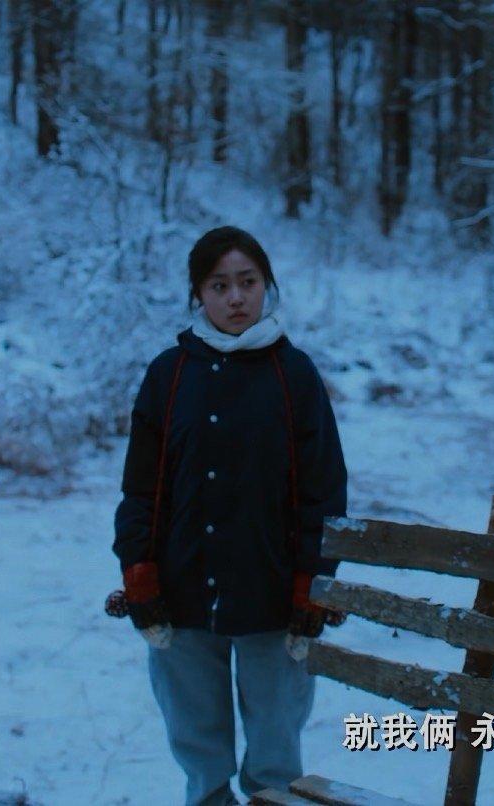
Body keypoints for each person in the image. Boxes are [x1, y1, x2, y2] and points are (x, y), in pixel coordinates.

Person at [112, 226, 348, 806]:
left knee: (275, 754)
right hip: (182, 593)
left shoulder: (294, 375)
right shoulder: (169, 375)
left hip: (274, 597)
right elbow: (141, 486)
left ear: (267, 286)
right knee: (199, 750)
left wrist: (313, 582)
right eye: (220, 286)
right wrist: (138, 569)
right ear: (199, 294)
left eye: (248, 282)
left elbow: (323, 490)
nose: (236, 298)